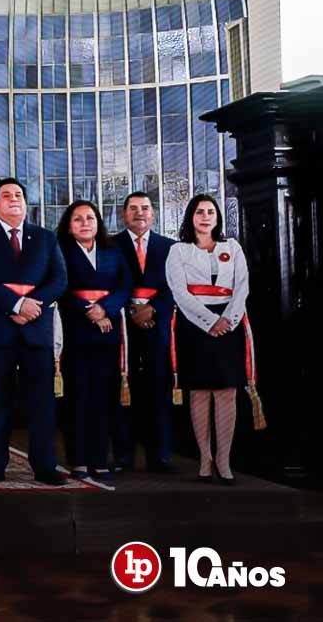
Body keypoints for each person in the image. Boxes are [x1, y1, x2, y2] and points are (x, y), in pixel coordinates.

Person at [0, 178, 68, 486]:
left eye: (19, 195)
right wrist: (16, 305)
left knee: (42, 402)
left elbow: (59, 280)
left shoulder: (46, 237)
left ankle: (45, 467)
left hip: (37, 329)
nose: (14, 199)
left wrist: (32, 306)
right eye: (6, 195)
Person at [166, 194, 250, 486]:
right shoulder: (179, 251)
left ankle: (224, 460)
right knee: (200, 392)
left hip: (229, 323)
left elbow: (242, 287)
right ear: (191, 217)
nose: (205, 217)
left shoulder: (233, 247)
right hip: (194, 325)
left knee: (226, 392)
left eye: (210, 212)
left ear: (218, 217)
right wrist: (209, 321)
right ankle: (205, 458)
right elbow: (179, 292)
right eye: (199, 212)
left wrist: (228, 320)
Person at [56, 200, 132, 481]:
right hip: (75, 330)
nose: (85, 223)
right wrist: (89, 311)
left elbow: (125, 285)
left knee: (103, 397)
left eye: (90, 218)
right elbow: (60, 287)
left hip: (108, 331)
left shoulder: (113, 251)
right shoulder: (60, 251)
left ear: (98, 223)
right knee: (78, 396)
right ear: (69, 226)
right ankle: (77, 459)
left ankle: (99, 458)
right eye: (78, 219)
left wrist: (106, 309)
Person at [113, 192, 177, 473]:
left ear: (153, 214)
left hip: (158, 326)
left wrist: (152, 309)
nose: (139, 213)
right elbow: (108, 282)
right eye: (133, 208)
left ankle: (160, 455)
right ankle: (123, 456)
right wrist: (132, 310)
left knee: (158, 391)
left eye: (145, 208)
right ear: (123, 214)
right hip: (122, 328)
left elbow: (177, 285)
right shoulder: (110, 245)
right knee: (123, 389)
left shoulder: (170, 247)